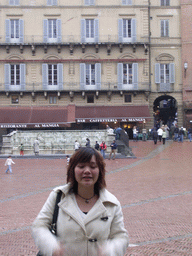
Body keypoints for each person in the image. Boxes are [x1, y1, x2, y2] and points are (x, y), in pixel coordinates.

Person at [32, 147, 129, 256]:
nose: (87, 171)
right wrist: (52, 247)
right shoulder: (58, 196)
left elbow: (121, 236)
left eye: (93, 166)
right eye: (81, 166)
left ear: (100, 171)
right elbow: (39, 226)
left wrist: (110, 251)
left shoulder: (112, 203)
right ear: (73, 170)